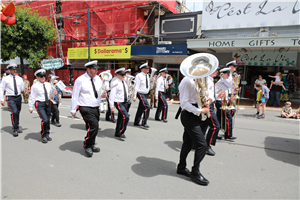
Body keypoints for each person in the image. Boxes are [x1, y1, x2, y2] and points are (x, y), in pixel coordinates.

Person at [177, 75, 210, 186]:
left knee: (188, 142)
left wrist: (206, 101)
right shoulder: (187, 81)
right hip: (189, 115)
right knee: (202, 145)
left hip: (194, 115)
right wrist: (199, 110)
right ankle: (195, 172)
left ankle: (181, 167)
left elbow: (197, 97)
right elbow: (184, 103)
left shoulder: (197, 80)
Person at [70, 60, 106, 157]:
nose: (96, 71)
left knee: (95, 126)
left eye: (96, 69)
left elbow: (99, 93)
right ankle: (87, 145)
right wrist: (73, 109)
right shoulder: (80, 80)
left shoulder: (98, 79)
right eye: (94, 69)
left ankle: (91, 144)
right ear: (88, 69)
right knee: (93, 126)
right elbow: (75, 95)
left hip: (96, 107)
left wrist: (103, 95)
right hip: (85, 107)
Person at [28, 69, 53, 143]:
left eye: (44, 76)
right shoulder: (35, 86)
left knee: (48, 120)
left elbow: (50, 94)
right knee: (44, 120)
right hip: (40, 104)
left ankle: (47, 134)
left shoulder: (48, 84)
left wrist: (54, 93)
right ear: (37, 77)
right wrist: (30, 107)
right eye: (41, 76)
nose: (43, 77)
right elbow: (32, 96)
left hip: (48, 103)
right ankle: (43, 135)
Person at [200, 68, 220, 156]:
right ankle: (207, 146)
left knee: (203, 125)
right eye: (215, 70)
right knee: (215, 126)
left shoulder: (210, 80)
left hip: (209, 104)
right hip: (207, 105)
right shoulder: (206, 79)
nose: (216, 72)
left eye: (217, 71)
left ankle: (198, 143)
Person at [0, 63, 24, 137]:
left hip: (18, 97)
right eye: (13, 69)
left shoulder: (19, 79)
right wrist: (1, 99)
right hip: (10, 97)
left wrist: (22, 91)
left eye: (15, 69)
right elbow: (1, 89)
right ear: (9, 70)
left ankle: (17, 125)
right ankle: (15, 129)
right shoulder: (5, 79)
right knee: (14, 112)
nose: (14, 71)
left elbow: (22, 88)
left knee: (18, 112)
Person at [215, 68, 236, 140]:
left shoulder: (224, 81)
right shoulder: (221, 82)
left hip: (222, 101)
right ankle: (228, 135)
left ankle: (216, 134)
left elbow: (228, 92)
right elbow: (217, 93)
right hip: (220, 101)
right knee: (228, 117)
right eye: (227, 74)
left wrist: (229, 98)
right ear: (223, 74)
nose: (229, 75)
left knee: (219, 118)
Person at [109, 68, 129, 140]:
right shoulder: (115, 83)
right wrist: (111, 106)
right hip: (118, 101)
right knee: (126, 116)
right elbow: (112, 95)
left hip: (124, 101)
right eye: (122, 75)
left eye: (124, 74)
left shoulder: (124, 82)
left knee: (121, 117)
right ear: (118, 75)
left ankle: (117, 132)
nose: (124, 76)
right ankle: (121, 132)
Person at [133, 62, 150, 129]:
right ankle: (144, 122)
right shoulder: (139, 76)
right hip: (140, 93)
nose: (148, 69)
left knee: (141, 108)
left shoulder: (147, 75)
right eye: (146, 68)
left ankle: (136, 122)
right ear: (143, 69)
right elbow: (136, 86)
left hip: (145, 94)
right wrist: (134, 96)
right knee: (147, 107)